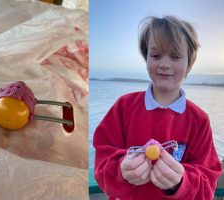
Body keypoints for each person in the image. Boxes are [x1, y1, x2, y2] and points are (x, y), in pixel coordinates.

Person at [93, 15, 222, 200]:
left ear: (189, 65)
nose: (164, 64)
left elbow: (207, 184)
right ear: (146, 58)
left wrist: (180, 183)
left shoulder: (199, 120)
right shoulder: (123, 107)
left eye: (176, 56)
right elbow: (101, 163)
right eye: (156, 55)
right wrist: (121, 169)